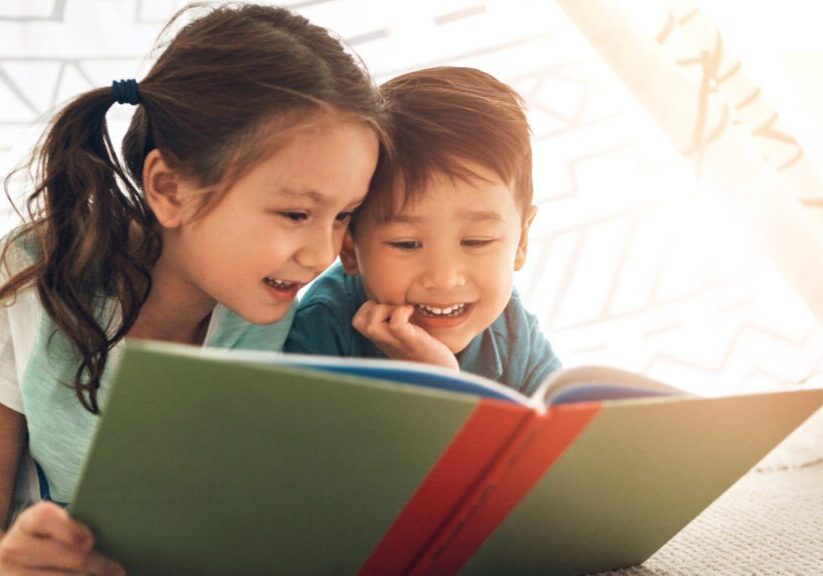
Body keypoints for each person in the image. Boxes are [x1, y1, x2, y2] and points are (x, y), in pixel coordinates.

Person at [0, 3, 385, 573]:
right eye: (295, 213)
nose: (323, 254)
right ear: (170, 188)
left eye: (344, 215)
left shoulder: (275, 315)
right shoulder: (35, 275)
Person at [284, 66, 561, 395]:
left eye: (477, 241)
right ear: (349, 247)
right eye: (406, 244)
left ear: (521, 241)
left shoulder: (514, 332)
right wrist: (434, 385)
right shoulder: (321, 330)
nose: (443, 278)